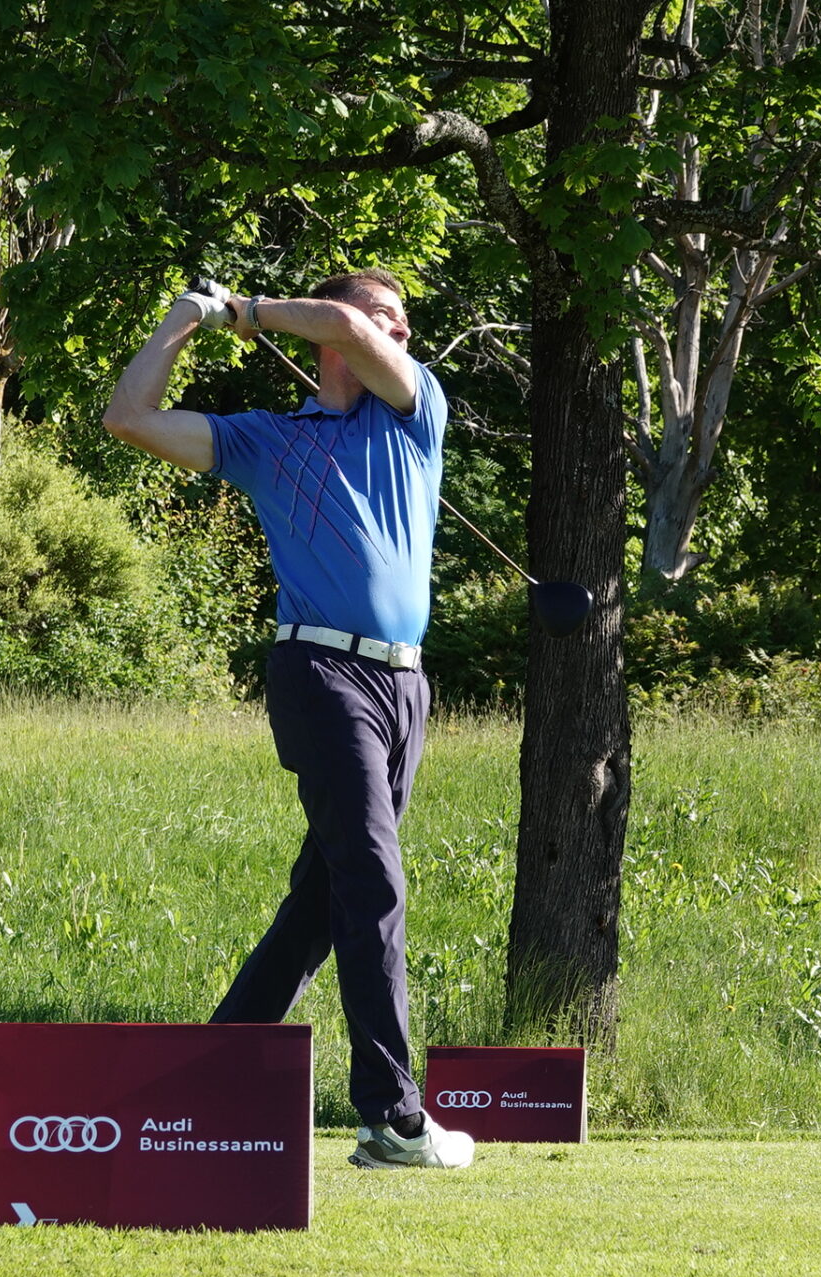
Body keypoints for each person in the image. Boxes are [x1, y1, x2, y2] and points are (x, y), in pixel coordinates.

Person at [101, 269, 474, 1170]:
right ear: (327, 333)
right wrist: (185, 317)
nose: (400, 332)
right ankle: (391, 1117)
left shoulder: (415, 412)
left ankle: (207, 1081)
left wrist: (248, 312)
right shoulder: (266, 439)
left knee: (322, 902)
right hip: (320, 673)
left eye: (403, 322)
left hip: (405, 687)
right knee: (372, 878)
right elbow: (129, 418)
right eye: (388, 315)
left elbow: (350, 327)